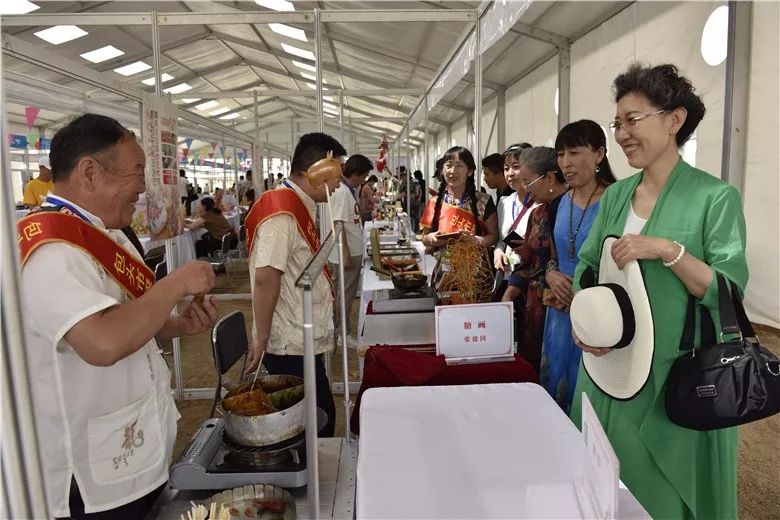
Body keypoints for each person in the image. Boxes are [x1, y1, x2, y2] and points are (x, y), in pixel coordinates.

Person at [569, 64, 748, 520]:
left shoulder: (715, 197)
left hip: (674, 380)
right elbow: (589, 266)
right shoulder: (616, 196)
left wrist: (668, 250)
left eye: (633, 120)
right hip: (608, 367)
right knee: (602, 487)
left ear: (674, 120)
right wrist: (584, 319)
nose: (623, 134)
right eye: (618, 123)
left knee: (657, 499)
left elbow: (728, 289)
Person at [18, 114, 218, 519]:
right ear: (89, 172)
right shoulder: (50, 251)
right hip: (91, 475)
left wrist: (175, 324)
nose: (143, 188)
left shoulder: (104, 236)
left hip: (133, 450)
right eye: (137, 173)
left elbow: (128, 317)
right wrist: (175, 284)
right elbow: (103, 342)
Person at [245, 132, 346, 437]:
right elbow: (266, 276)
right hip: (288, 339)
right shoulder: (281, 210)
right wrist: (262, 336)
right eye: (335, 176)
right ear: (314, 172)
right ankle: (307, 480)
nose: (338, 185)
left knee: (317, 414)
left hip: (300, 332)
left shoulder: (299, 204)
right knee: (314, 420)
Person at [540, 120, 617, 413]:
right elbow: (547, 255)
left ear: (598, 155)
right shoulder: (558, 203)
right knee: (556, 386)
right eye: (560, 155)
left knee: (590, 394)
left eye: (574, 153)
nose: (565, 163)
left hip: (599, 312)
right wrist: (551, 274)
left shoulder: (617, 199)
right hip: (559, 312)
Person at [502, 147, 568, 372]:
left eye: (528, 182)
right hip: (534, 305)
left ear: (549, 177)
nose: (525, 190)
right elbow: (529, 262)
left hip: (562, 301)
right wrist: (511, 289)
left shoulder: (573, 210)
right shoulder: (537, 214)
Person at [329, 154, 372, 346]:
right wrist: (344, 253)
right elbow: (338, 224)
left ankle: (341, 331)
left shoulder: (347, 190)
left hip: (352, 251)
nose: (362, 182)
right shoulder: (341, 192)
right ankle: (342, 334)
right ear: (354, 173)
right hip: (347, 254)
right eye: (362, 177)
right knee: (344, 295)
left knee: (345, 293)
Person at [421, 146, 498, 250]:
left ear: (470, 171)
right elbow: (424, 238)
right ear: (442, 171)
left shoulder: (483, 201)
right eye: (449, 165)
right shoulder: (434, 202)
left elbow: (494, 236)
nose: (453, 171)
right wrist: (430, 239)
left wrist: (477, 240)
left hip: (475, 264)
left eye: (459, 166)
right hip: (441, 264)